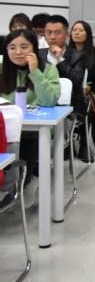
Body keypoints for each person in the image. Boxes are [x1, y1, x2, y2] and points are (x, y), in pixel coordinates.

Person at [0, 29, 61, 195]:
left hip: (32, 132)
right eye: (12, 48)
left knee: (20, 180)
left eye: (24, 47)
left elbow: (50, 100)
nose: (18, 52)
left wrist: (35, 72)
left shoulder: (47, 69)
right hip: (3, 132)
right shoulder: (2, 70)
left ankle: (29, 180)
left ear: (34, 48)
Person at [44, 15, 88, 156]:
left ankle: (64, 144)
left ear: (66, 34)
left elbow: (76, 80)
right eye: (48, 32)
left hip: (70, 104)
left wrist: (60, 59)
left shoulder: (78, 55)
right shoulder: (38, 54)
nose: (52, 37)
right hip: (42, 103)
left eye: (57, 33)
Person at [69, 20, 95, 159]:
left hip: (91, 89)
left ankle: (84, 145)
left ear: (87, 34)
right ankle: (66, 144)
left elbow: (94, 72)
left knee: (86, 105)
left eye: (81, 30)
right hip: (70, 89)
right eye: (74, 30)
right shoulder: (66, 51)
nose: (76, 33)